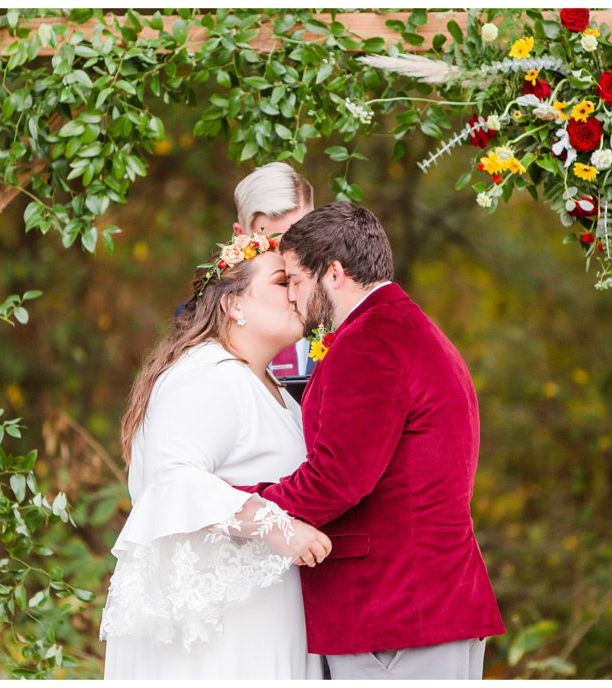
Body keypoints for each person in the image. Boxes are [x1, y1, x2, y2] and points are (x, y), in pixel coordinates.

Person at [241, 202, 506, 679]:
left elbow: (336, 479)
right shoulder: (401, 327)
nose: (294, 299)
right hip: (419, 605)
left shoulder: (370, 344)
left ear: (335, 273)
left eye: (297, 281)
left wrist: (240, 505)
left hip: (396, 610)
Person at [99, 231, 329, 679]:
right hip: (221, 632)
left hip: (264, 614)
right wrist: (279, 528)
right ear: (233, 304)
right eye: (282, 282)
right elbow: (174, 479)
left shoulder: (273, 390)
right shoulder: (207, 376)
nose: (298, 293)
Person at [232, 162, 315, 378]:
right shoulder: (204, 322)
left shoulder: (342, 310)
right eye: (269, 247)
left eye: (297, 243)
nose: (286, 261)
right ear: (241, 238)